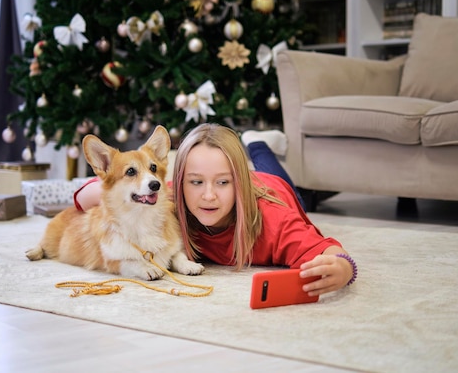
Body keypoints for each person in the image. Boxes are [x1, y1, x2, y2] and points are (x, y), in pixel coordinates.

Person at [74, 123, 356, 296]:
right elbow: (89, 195)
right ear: (180, 182)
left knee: (280, 179)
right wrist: (108, 186)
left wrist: (344, 268)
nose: (207, 195)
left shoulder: (276, 222)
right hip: (241, 183)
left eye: (223, 182)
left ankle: (258, 144)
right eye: (196, 181)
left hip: (273, 190)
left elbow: (329, 251)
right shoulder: (166, 195)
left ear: (238, 183)